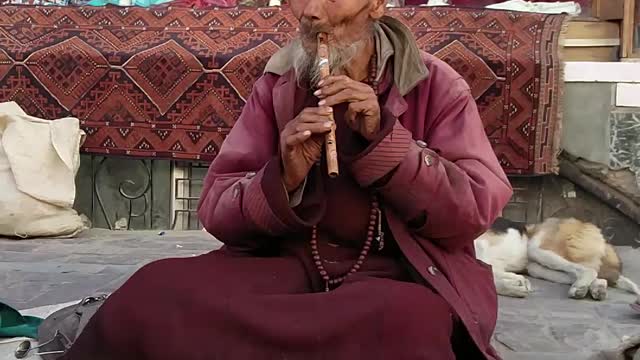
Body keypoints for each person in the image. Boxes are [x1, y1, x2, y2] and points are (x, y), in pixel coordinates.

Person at [61, 0, 512, 358]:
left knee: (409, 322)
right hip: (290, 266)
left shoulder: (434, 84)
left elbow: (474, 209)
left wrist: (388, 141)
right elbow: (218, 206)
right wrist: (285, 175)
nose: (312, 12)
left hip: (397, 274)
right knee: (152, 291)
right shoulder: (279, 83)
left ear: (375, 5)